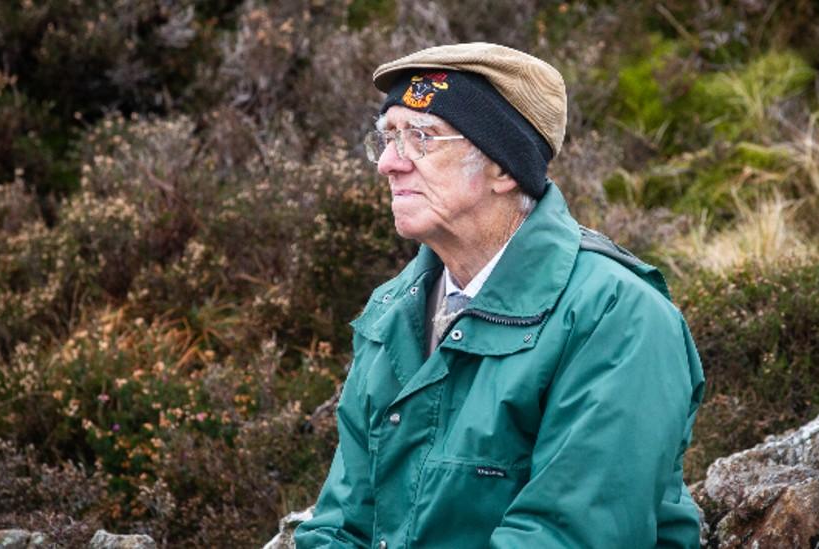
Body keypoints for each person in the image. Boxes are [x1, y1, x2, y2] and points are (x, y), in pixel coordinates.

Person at [294, 42, 705, 549]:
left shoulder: (616, 315)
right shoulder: (391, 312)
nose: (387, 164)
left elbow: (566, 535)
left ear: (504, 169)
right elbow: (342, 526)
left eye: (420, 137)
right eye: (387, 136)